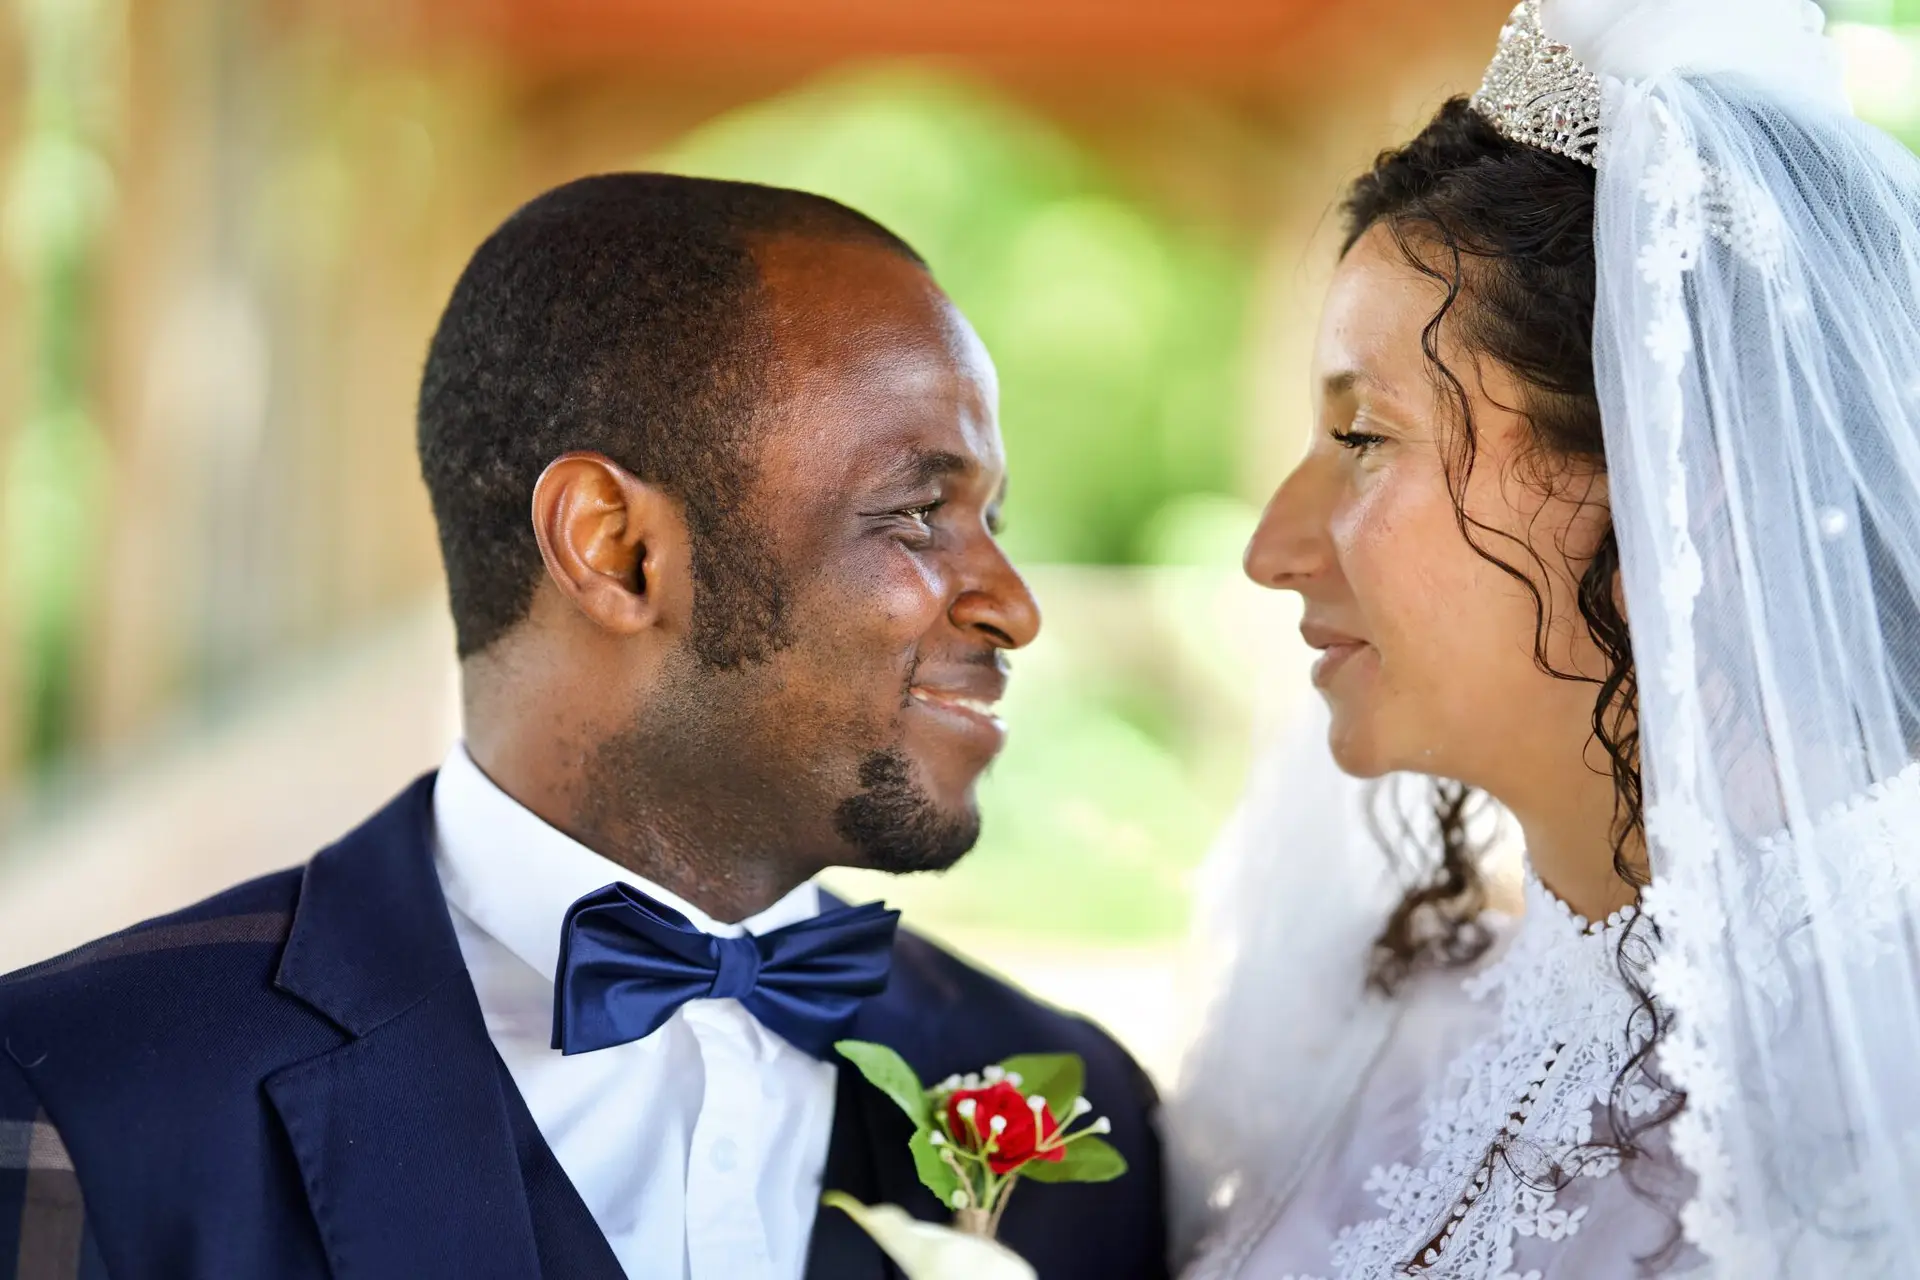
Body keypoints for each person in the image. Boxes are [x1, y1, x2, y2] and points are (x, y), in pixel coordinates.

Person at [0, 175, 1167, 1280]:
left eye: (992, 515)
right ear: (616, 548)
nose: (1014, 604)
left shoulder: (1069, 1104)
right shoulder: (80, 1091)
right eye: (918, 513)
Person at [1170, 0, 1920, 1276]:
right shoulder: (1389, 1019)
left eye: (1363, 438)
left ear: (1672, 478)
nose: (1271, 549)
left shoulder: (1880, 1087)